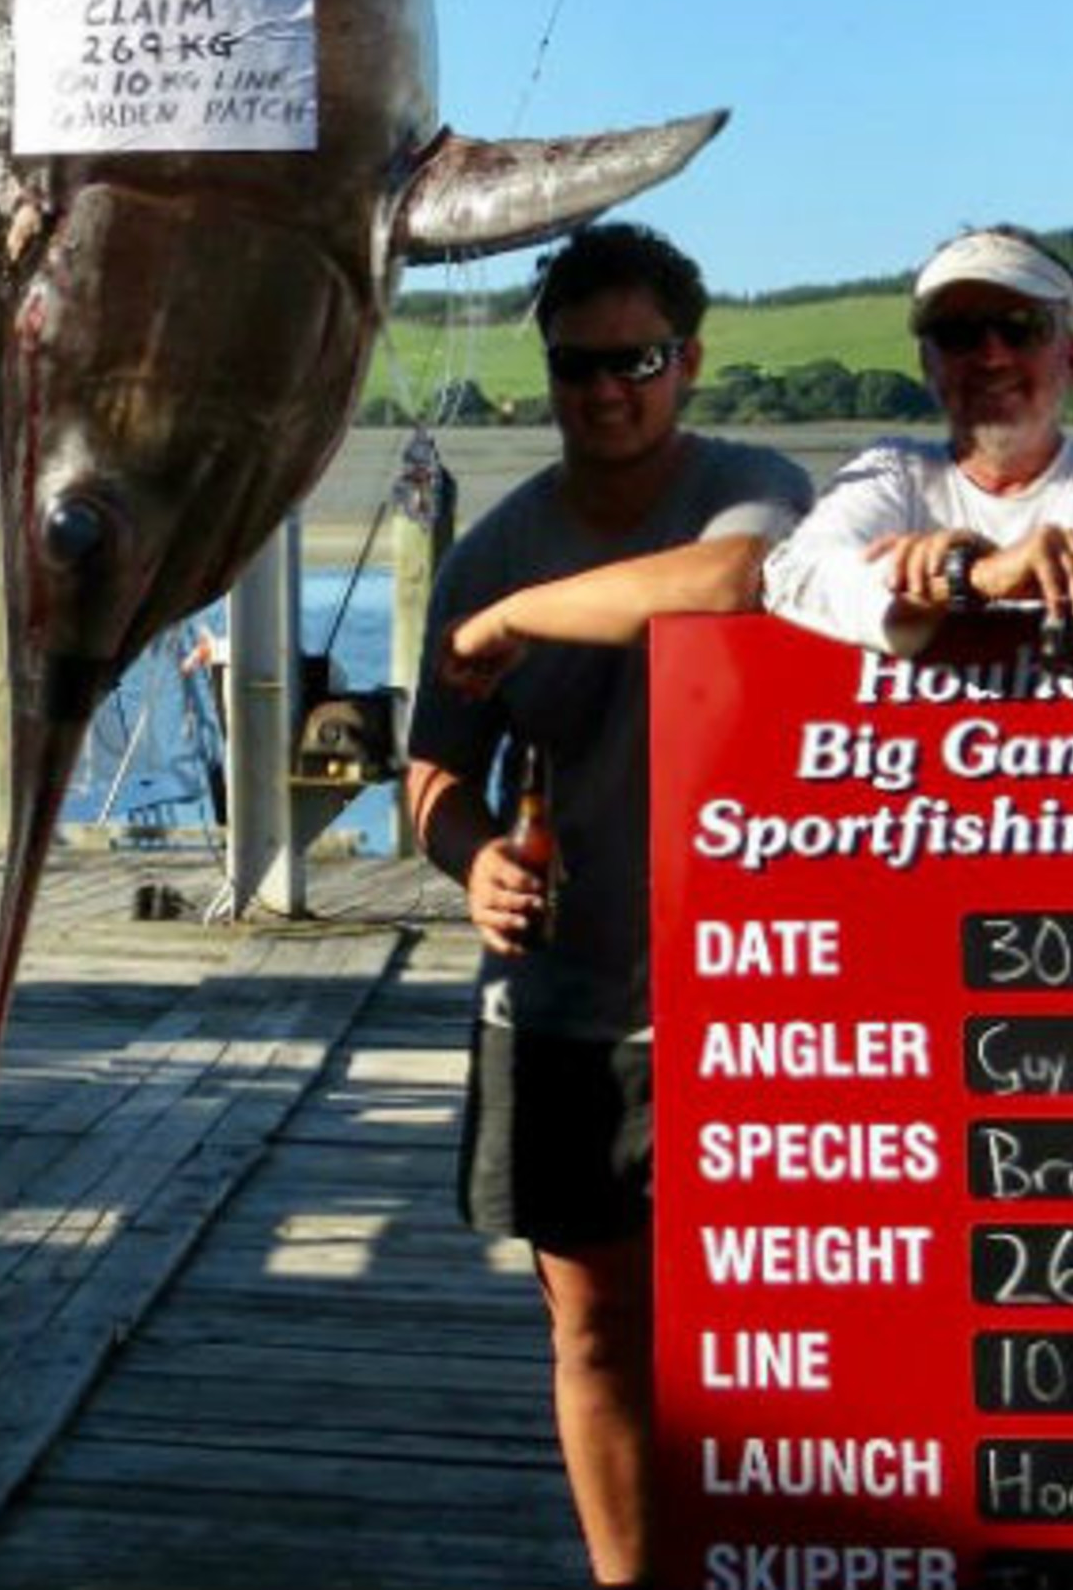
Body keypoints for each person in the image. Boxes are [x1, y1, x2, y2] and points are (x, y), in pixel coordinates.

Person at [404, 221, 811, 1590]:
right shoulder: (486, 550)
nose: (605, 391)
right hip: (565, 1005)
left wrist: (518, 621)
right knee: (590, 1331)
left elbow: (735, 586)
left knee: (761, 1331)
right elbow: (429, 775)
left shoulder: (750, 487)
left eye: (635, 360)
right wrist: (469, 861)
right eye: (577, 365)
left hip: (756, 1000)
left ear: (685, 361)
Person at [762, 224, 1073, 649]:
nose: (992, 356)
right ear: (927, 364)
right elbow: (793, 574)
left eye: (1020, 327)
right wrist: (974, 576)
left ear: (1072, 358)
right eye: (957, 333)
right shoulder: (893, 471)